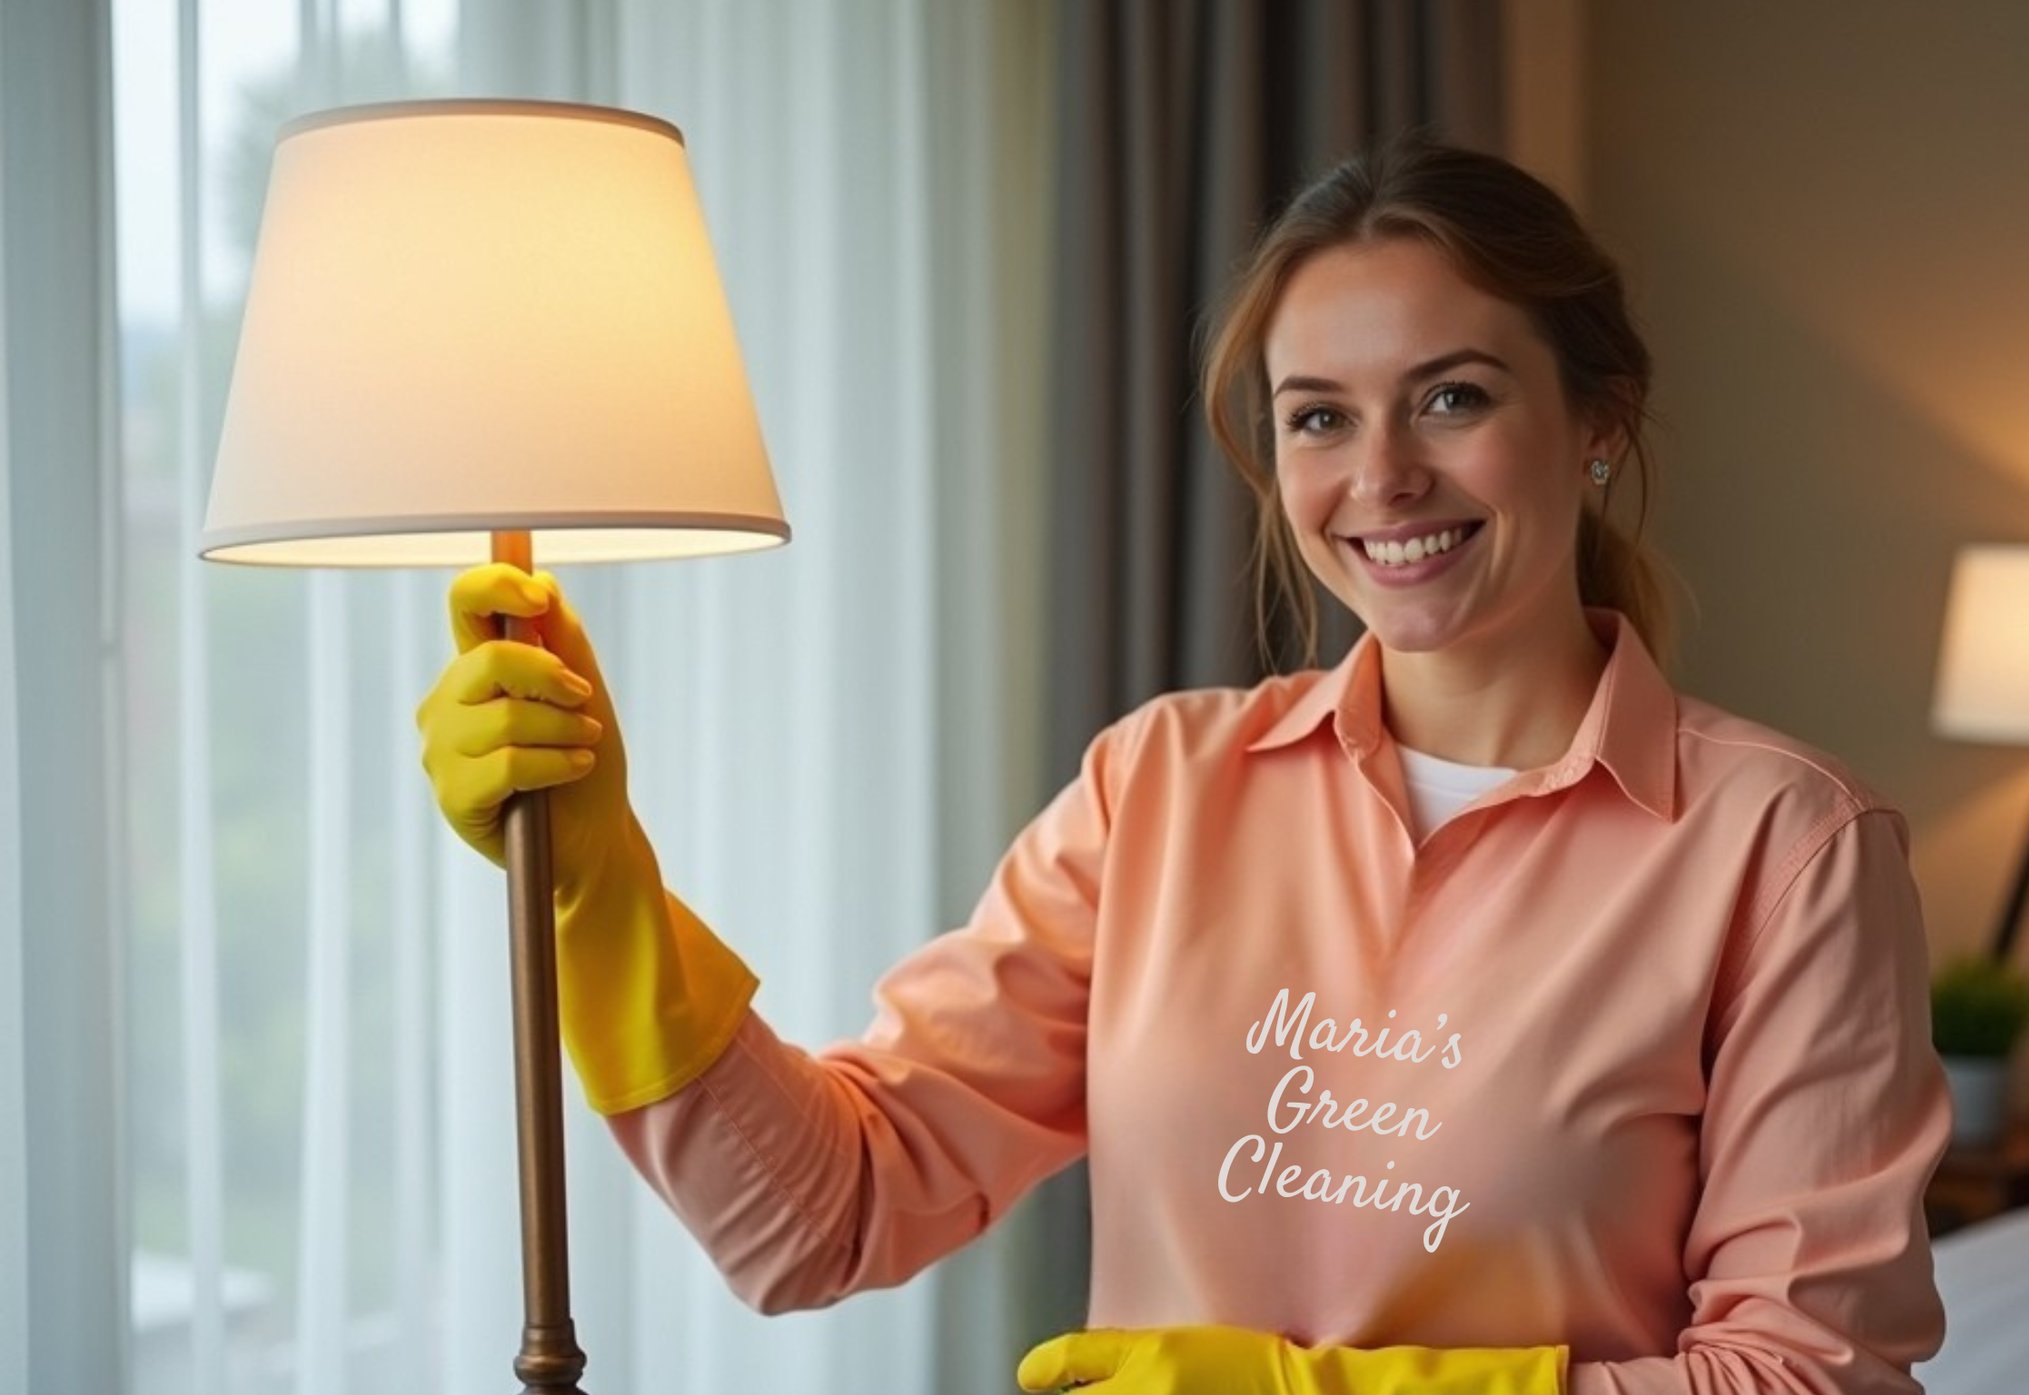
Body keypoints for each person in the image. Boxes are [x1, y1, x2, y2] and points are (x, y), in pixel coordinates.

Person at [416, 134, 1951, 1395]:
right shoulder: (1158, 787)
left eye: (1455, 395)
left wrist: (1315, 1393)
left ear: (1597, 418)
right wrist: (605, 889)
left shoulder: (1785, 848)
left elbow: (1810, 1378)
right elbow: (826, 1214)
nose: (1383, 475)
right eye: (1319, 418)